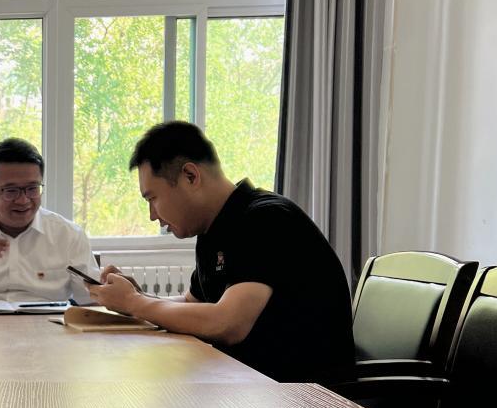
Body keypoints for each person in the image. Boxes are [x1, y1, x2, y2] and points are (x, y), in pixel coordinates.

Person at [88, 120, 355, 384]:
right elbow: (193, 305)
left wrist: (135, 303)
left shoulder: (266, 219)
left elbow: (228, 324)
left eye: (152, 198)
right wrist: (136, 297)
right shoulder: (213, 230)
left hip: (304, 397)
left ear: (190, 176)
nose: (152, 215)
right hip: (251, 386)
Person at [0, 138, 98, 305]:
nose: (23, 200)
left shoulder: (68, 235)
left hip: (48, 321)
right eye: (11, 191)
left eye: (32, 189)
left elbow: (94, 301)